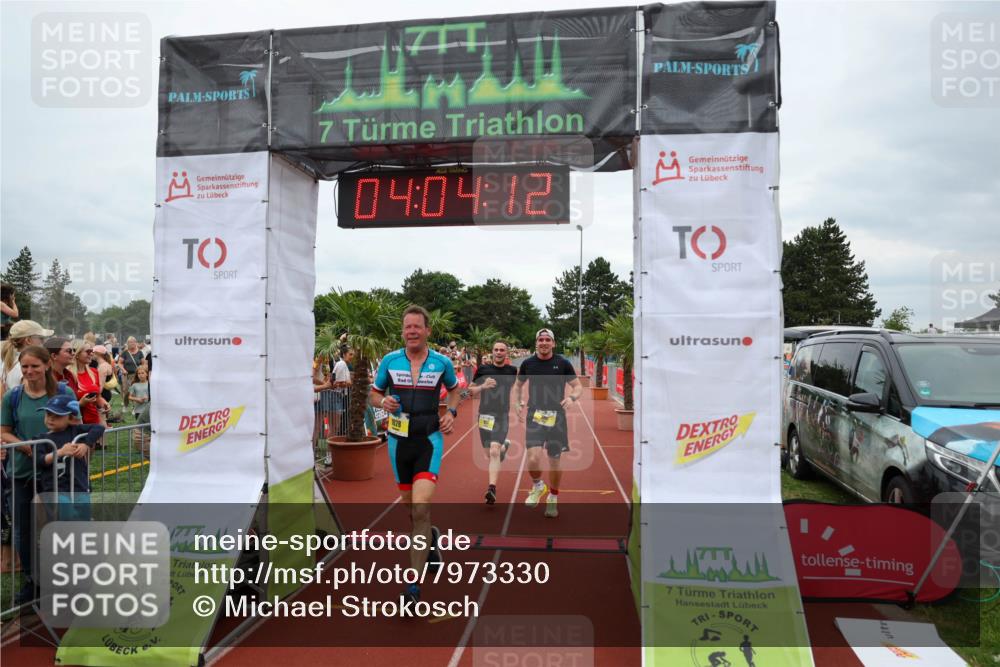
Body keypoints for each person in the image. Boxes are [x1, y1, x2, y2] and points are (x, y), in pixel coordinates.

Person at [369, 305, 461, 604]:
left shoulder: (442, 362)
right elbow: (374, 393)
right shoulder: (390, 361)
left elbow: (455, 390)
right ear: (403, 331)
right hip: (398, 444)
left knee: (420, 508)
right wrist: (383, 402)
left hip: (428, 440)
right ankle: (430, 536)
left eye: (417, 327)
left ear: (427, 330)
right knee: (412, 512)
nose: (411, 331)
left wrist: (452, 412)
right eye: (407, 327)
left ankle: (413, 586)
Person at [0, 345, 76, 603]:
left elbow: (77, 426)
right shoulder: (13, 396)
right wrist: (27, 448)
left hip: (56, 473)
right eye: (25, 367)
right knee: (23, 528)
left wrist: (82, 442)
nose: (29, 371)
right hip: (21, 471)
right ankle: (33, 582)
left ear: (46, 365)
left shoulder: (63, 391)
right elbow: (4, 430)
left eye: (34, 366)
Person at [515, 328, 582, 519]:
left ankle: (553, 496)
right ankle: (538, 485)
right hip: (535, 416)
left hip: (557, 418)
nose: (544, 342)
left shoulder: (563, 363)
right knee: (533, 458)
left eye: (547, 340)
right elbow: (518, 385)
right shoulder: (528, 363)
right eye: (540, 339)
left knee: (554, 460)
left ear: (553, 343)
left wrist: (572, 398)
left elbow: (577, 386)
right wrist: (517, 402)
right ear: (536, 343)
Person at [33, 394, 104, 521]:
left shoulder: (75, 431)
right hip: (56, 489)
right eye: (48, 414)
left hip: (80, 485)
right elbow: (40, 460)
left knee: (83, 518)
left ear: (70, 418)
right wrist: (60, 452)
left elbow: (99, 427)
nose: (51, 419)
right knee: (66, 517)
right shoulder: (40, 438)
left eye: (57, 416)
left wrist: (86, 444)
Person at [468, 340, 517, 504]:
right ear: (492, 352)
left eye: (502, 350)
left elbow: (517, 389)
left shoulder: (512, 371)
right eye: (496, 349)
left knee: (494, 451)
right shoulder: (483, 369)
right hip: (484, 416)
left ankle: (492, 489)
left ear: (506, 353)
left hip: (501, 416)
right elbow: (470, 390)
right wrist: (483, 387)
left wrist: (518, 402)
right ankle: (504, 448)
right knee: (489, 454)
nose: (498, 352)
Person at [2, 320, 53, 396]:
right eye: (41, 338)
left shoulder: (7, 362)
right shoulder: (27, 366)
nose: (44, 342)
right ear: (28, 340)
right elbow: (31, 400)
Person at [67, 339, 108, 426]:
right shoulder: (68, 375)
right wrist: (80, 404)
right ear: (77, 354)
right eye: (88, 351)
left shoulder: (93, 372)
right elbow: (64, 404)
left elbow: (98, 397)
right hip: (77, 424)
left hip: (94, 421)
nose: (92, 354)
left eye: (92, 351)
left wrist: (104, 403)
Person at [118, 337, 144, 407]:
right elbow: (119, 363)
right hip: (126, 375)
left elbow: (143, 363)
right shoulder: (125, 353)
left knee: (136, 390)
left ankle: (134, 406)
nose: (132, 343)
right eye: (130, 342)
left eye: (133, 342)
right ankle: (125, 405)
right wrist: (123, 370)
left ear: (136, 343)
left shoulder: (140, 353)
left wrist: (141, 370)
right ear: (127, 343)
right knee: (126, 391)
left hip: (137, 375)